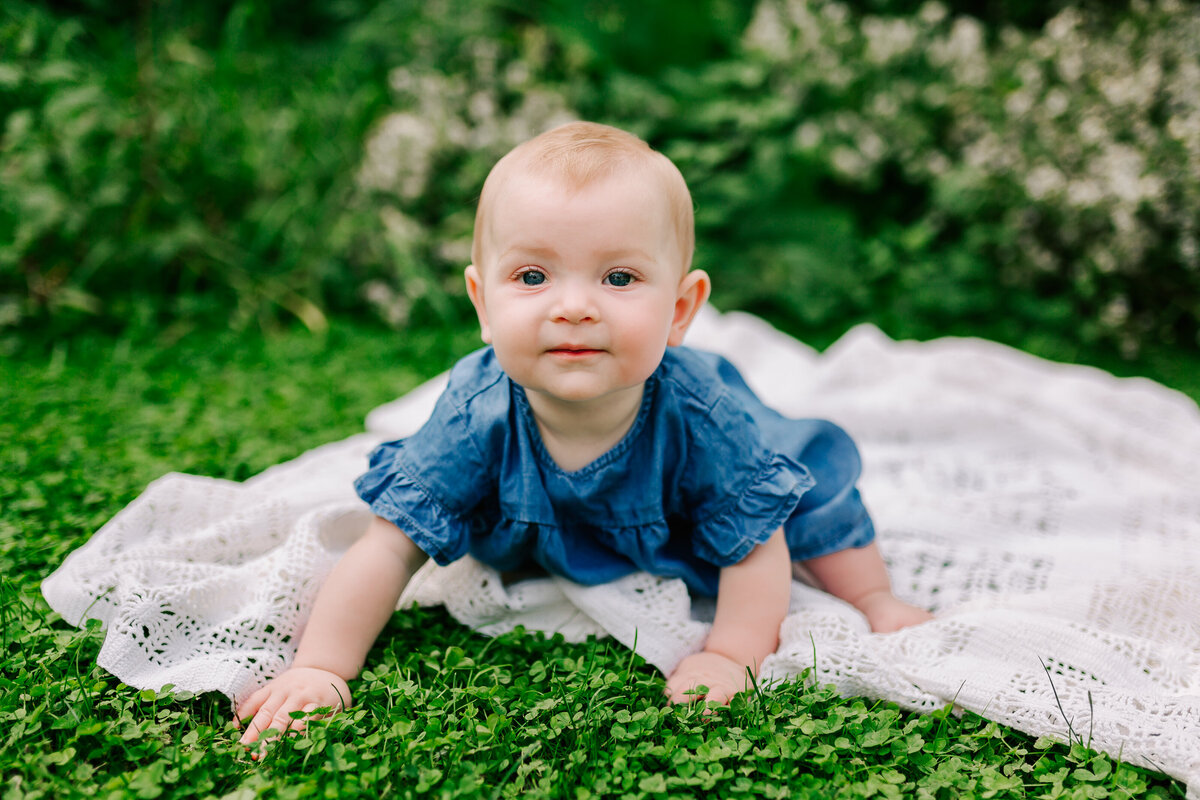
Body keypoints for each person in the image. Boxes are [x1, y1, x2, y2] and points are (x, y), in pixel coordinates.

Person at [235, 121, 932, 747]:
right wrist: (322, 667)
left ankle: (873, 593)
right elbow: (388, 546)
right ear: (482, 302)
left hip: (698, 509)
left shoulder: (702, 415)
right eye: (533, 275)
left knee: (806, 501)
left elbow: (757, 548)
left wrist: (729, 655)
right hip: (573, 520)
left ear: (682, 308)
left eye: (619, 276)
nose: (573, 307)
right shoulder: (477, 412)